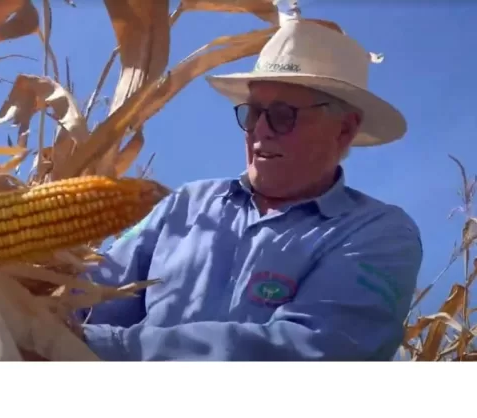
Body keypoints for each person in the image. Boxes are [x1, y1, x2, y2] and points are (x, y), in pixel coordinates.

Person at [76, 17, 423, 361]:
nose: (260, 130)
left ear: (344, 130)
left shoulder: (378, 233)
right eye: (254, 112)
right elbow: (89, 301)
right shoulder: (184, 205)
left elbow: (311, 352)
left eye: (284, 115)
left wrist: (93, 347)